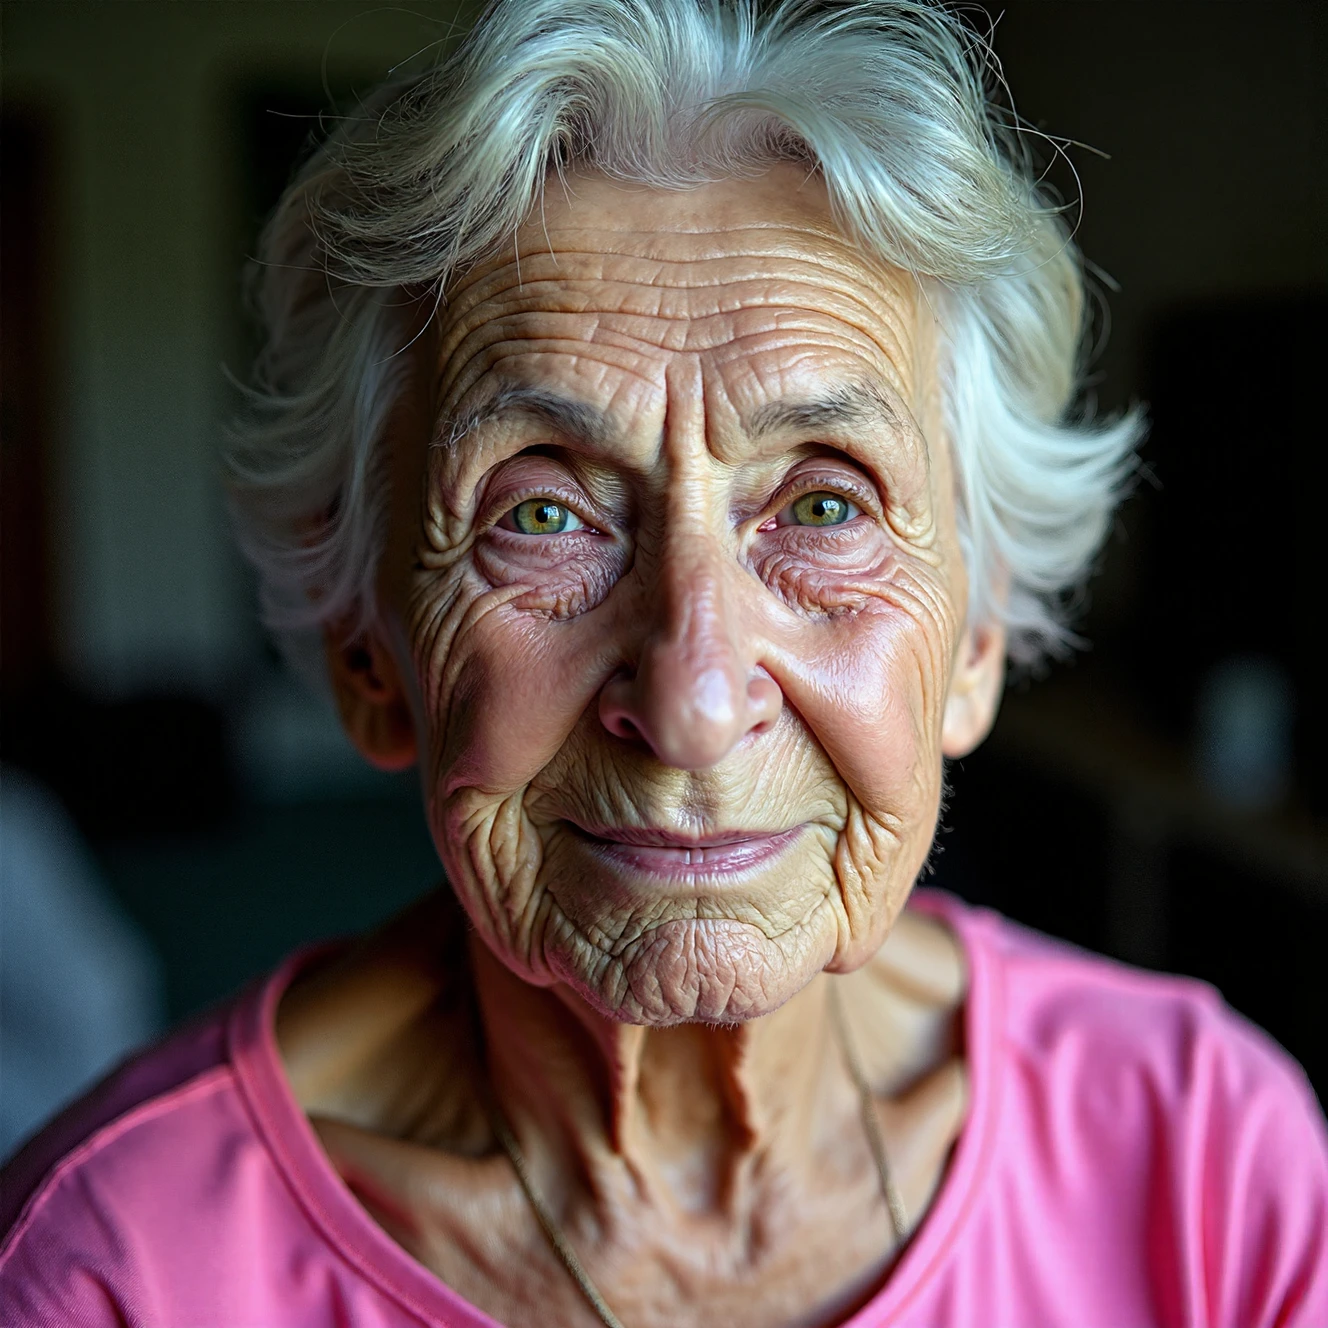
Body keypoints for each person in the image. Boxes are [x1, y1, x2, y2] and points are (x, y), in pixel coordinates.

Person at [2, 2, 1325, 1324]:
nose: (693, 702)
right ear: (370, 653)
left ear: (975, 641)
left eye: (823, 507)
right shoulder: (113, 1270)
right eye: (541, 514)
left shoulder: (1208, 1161)